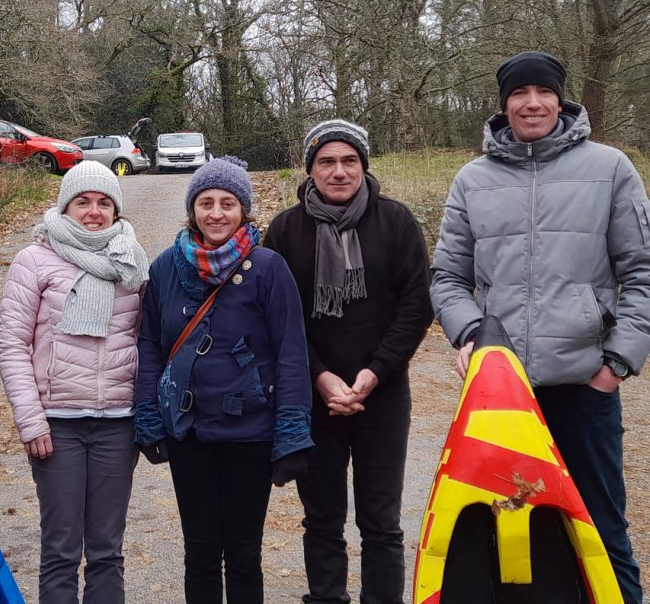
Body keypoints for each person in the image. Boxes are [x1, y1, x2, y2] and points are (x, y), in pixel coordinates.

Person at [431, 50, 650, 603]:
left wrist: (616, 362)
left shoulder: (610, 169)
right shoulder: (472, 180)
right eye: (519, 94)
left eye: (542, 92)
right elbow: (447, 278)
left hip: (583, 386)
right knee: (501, 523)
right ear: (504, 104)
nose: (532, 103)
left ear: (560, 98)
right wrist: (472, 336)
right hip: (500, 395)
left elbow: (643, 273)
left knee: (599, 528)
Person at [262, 120, 433, 604]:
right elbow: (279, 317)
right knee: (322, 518)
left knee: (381, 520)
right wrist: (320, 377)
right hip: (312, 397)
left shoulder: (395, 222)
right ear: (310, 169)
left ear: (363, 165)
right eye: (327, 162)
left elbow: (415, 306)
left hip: (382, 393)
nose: (339, 172)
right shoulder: (286, 230)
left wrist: (374, 372)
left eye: (349, 161)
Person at [134, 155, 314, 604]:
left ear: (243, 211)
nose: (216, 213)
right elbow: (150, 347)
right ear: (193, 209)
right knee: (199, 552)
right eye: (206, 202)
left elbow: (291, 352)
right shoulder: (164, 269)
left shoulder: (269, 268)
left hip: (250, 432)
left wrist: (292, 430)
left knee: (244, 553)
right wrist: (148, 416)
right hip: (188, 432)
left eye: (228, 203)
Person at [0, 160, 148, 604]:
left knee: (107, 550)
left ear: (116, 211)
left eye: (104, 203)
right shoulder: (35, 260)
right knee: (61, 548)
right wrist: (31, 419)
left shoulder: (132, 260)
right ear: (65, 206)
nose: (94, 211)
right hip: (56, 425)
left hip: (118, 425)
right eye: (83, 201)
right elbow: (10, 344)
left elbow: (145, 341)